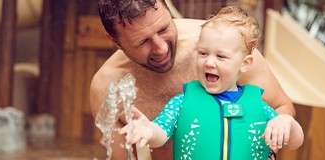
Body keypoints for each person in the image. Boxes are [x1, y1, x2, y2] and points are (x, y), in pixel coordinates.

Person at [90, 0, 301, 159]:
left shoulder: (223, 45)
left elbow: (282, 108)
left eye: (164, 28)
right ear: (115, 40)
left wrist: (279, 128)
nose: (161, 48)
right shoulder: (108, 88)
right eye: (143, 42)